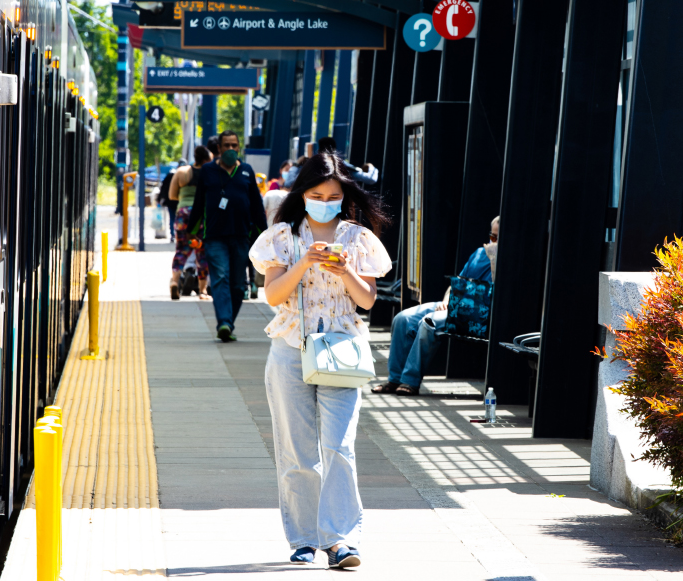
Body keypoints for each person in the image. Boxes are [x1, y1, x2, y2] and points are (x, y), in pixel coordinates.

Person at [248, 153, 391, 568]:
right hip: (290, 349)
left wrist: (346, 271)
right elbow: (273, 295)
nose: (325, 203)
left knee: (339, 446)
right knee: (296, 450)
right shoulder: (281, 237)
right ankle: (304, 539)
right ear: (302, 194)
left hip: (341, 351)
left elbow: (367, 301)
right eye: (316, 195)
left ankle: (341, 540)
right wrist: (304, 262)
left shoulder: (359, 238)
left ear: (345, 195)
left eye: (332, 196)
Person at [374, 216, 500, 396]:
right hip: (455, 304)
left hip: (479, 314)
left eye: (497, 238)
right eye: (492, 237)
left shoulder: (509, 260)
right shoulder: (479, 253)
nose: (493, 242)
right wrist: (447, 300)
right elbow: (457, 282)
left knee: (429, 322)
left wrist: (495, 260)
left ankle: (410, 380)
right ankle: (394, 379)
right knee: (402, 319)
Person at [185, 130, 266, 341]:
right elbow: (198, 203)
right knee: (220, 278)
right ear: (219, 149)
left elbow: (257, 205)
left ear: (239, 148)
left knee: (238, 285)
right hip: (215, 237)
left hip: (241, 236)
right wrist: (191, 232)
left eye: (234, 145)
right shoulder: (208, 171)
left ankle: (228, 322)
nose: (231, 149)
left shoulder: (247, 171)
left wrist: (265, 234)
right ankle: (223, 322)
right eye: (227, 145)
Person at [169, 147, 212, 299]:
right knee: (202, 252)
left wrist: (185, 197)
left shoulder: (181, 172)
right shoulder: (209, 173)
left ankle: (175, 282)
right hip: (201, 215)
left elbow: (172, 195)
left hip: (183, 214)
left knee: (181, 250)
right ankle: (202, 290)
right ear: (206, 160)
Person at [157, 164, 178, 241]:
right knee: (179, 219)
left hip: (170, 201)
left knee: (172, 218)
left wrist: (159, 199)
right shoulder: (182, 176)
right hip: (179, 201)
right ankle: (177, 235)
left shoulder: (169, 176)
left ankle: (172, 235)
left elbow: (163, 188)